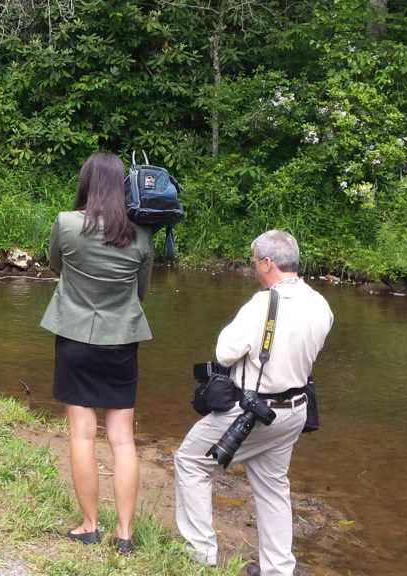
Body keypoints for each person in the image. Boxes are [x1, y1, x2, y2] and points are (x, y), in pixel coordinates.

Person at [174, 230, 333, 576]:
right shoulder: (320, 303)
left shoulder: (263, 304)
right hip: (295, 411)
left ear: (267, 262)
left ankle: (199, 555)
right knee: (273, 484)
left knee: (189, 462)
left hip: (251, 413)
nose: (253, 269)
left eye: (254, 262)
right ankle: (278, 569)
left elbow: (224, 352)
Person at [40, 151, 154, 554]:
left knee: (82, 435)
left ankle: (89, 526)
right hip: (121, 342)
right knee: (122, 440)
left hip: (74, 338)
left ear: (86, 182)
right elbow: (141, 292)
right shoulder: (141, 233)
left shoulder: (67, 224)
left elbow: (55, 264)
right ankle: (124, 535)